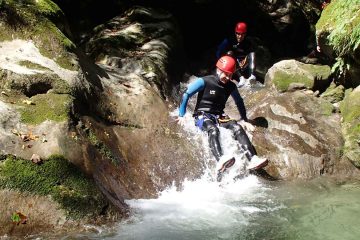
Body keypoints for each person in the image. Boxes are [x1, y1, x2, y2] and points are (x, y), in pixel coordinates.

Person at [178, 56, 268, 179]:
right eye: (226, 74)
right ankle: (221, 160)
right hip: (202, 115)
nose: (228, 78)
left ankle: (253, 159)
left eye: (230, 75)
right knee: (213, 130)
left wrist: (245, 120)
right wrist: (181, 115)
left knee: (237, 127)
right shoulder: (205, 81)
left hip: (219, 116)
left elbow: (239, 102)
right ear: (218, 70)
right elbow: (186, 93)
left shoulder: (231, 86)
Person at [216, 22, 257, 88]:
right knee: (230, 53)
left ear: (245, 34)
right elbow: (219, 51)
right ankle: (241, 78)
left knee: (252, 53)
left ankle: (252, 76)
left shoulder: (248, 41)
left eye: (242, 34)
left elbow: (250, 53)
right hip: (233, 66)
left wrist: (245, 60)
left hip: (244, 64)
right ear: (235, 33)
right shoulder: (229, 40)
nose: (240, 36)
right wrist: (221, 63)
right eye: (238, 34)